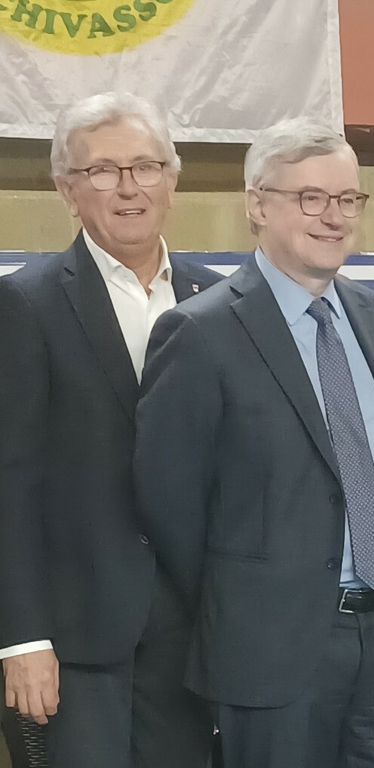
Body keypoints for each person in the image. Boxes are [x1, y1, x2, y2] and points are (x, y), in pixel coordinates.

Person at [133, 118, 374, 768]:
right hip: (270, 646)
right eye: (311, 198)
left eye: (347, 199)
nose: (334, 217)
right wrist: (254, 596)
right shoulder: (199, 332)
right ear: (258, 205)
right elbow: (169, 506)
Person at [0, 92, 218, 768]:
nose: (129, 187)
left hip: (195, 636)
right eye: (102, 170)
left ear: (171, 180)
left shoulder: (220, 300)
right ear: (67, 190)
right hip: (76, 642)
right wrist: (22, 639)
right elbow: (10, 481)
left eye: (146, 166)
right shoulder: (24, 303)